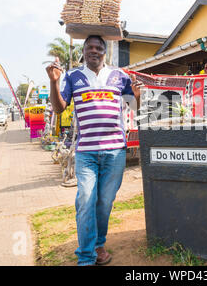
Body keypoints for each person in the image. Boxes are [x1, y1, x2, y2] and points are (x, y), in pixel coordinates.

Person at [46, 35, 143, 266]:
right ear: (83, 51)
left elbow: (134, 106)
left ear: (105, 52)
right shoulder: (72, 76)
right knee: (86, 199)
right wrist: (54, 82)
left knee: (105, 202)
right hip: (86, 152)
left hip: (115, 152)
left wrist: (137, 97)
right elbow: (59, 109)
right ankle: (86, 257)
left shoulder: (120, 76)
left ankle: (99, 244)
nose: (94, 50)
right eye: (89, 47)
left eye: (98, 47)